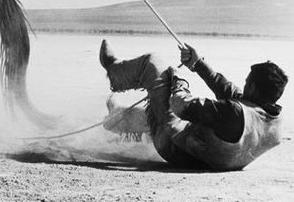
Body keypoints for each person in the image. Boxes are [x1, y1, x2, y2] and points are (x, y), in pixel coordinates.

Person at [99, 40, 288, 171]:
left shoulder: (234, 112)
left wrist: (178, 81)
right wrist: (197, 63)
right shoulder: (274, 124)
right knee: (164, 113)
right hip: (204, 158)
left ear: (253, 88)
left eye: (247, 82)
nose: (243, 85)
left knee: (152, 63)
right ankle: (116, 118)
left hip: (175, 149)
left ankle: (113, 70)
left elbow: (180, 105)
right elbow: (229, 92)